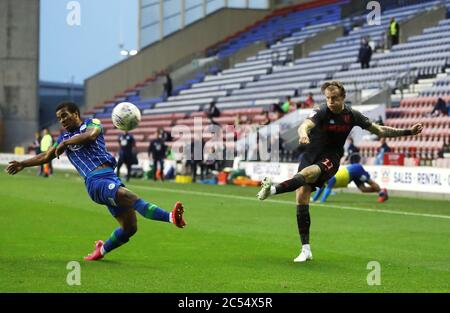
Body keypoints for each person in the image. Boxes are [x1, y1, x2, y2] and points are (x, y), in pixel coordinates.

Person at [256, 80, 423, 263]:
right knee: (301, 196)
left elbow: (380, 130)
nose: (330, 101)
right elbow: (305, 125)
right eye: (327, 98)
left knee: (308, 174)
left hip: (331, 158)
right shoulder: (320, 111)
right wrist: (303, 133)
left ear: (343, 97)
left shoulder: (352, 116)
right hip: (310, 154)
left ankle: (271, 190)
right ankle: (306, 250)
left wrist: (408, 131)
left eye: (334, 98)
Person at [5, 102, 186, 261]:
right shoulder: (62, 138)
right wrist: (23, 163)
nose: (62, 121)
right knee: (129, 196)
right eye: (59, 118)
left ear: (76, 114)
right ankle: (171, 218)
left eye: (65, 116)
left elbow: (90, 136)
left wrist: (66, 144)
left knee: (129, 228)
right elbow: (45, 156)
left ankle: (102, 249)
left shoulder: (93, 123)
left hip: (110, 177)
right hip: (95, 182)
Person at [312, 160, 388, 203]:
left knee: (370, 182)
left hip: (355, 170)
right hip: (351, 174)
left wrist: (322, 201)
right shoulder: (325, 179)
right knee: (363, 189)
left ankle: (382, 194)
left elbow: (327, 190)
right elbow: (321, 189)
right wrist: (314, 199)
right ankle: (382, 191)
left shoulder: (331, 178)